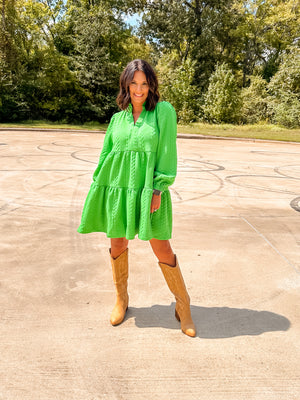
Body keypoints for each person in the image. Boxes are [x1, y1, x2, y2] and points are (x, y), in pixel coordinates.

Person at [78, 59, 196, 337]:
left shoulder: (163, 112)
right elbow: (107, 155)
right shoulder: (117, 119)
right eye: (134, 83)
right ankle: (122, 299)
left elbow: (167, 153)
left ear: (151, 85)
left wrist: (158, 188)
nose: (139, 89)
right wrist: (99, 188)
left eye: (144, 83)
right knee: (117, 243)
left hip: (149, 191)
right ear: (126, 85)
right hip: (117, 189)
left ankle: (184, 306)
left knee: (162, 248)